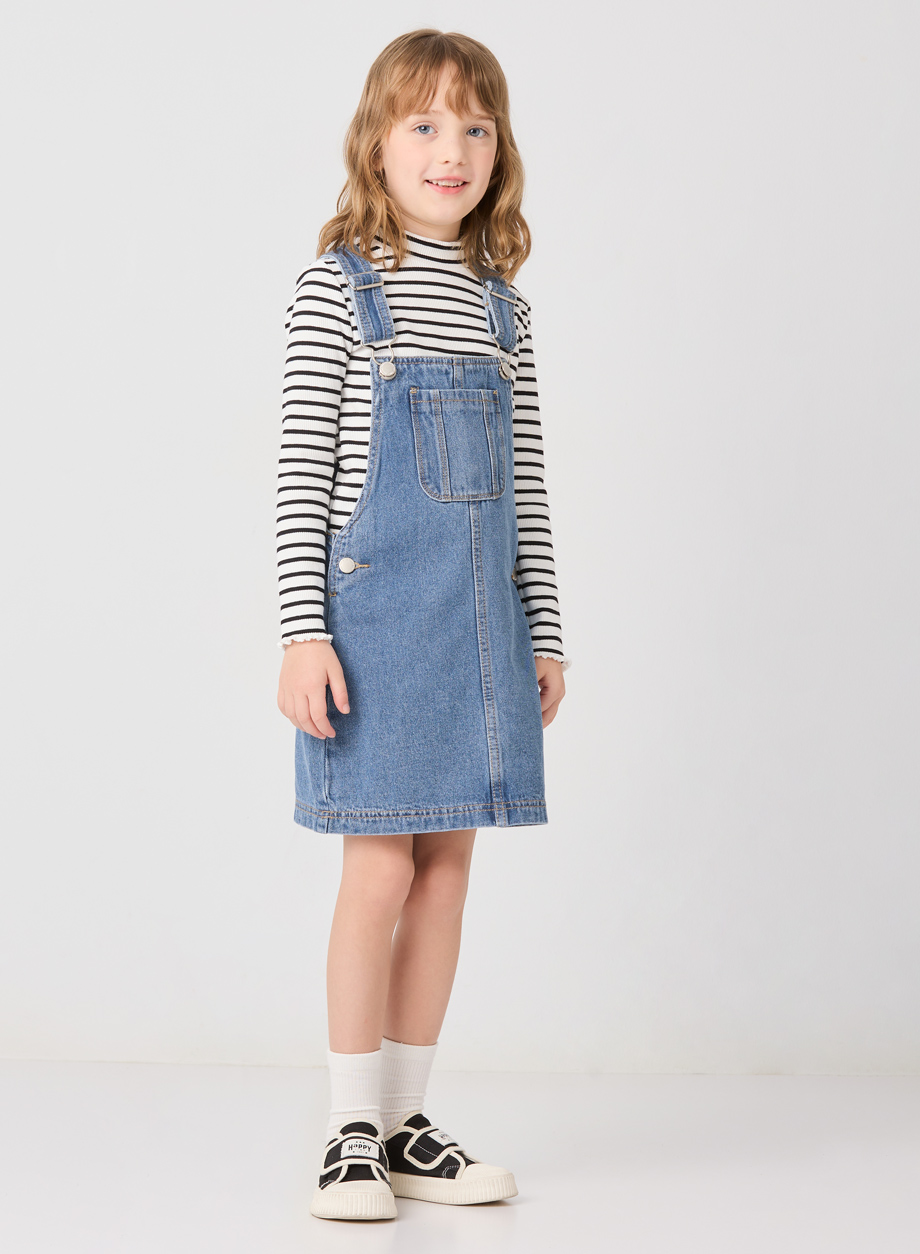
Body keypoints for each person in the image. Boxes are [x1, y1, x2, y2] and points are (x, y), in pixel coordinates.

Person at [274, 29, 570, 1221]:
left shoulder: (505, 312)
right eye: (425, 124)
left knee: (447, 870)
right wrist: (302, 632)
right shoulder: (340, 288)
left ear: (499, 151)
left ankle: (404, 1124)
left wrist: (544, 629)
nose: (453, 150)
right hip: (377, 625)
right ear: (377, 145)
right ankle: (347, 1129)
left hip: (483, 627)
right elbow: (303, 476)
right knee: (380, 867)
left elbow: (527, 489)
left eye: (475, 127)